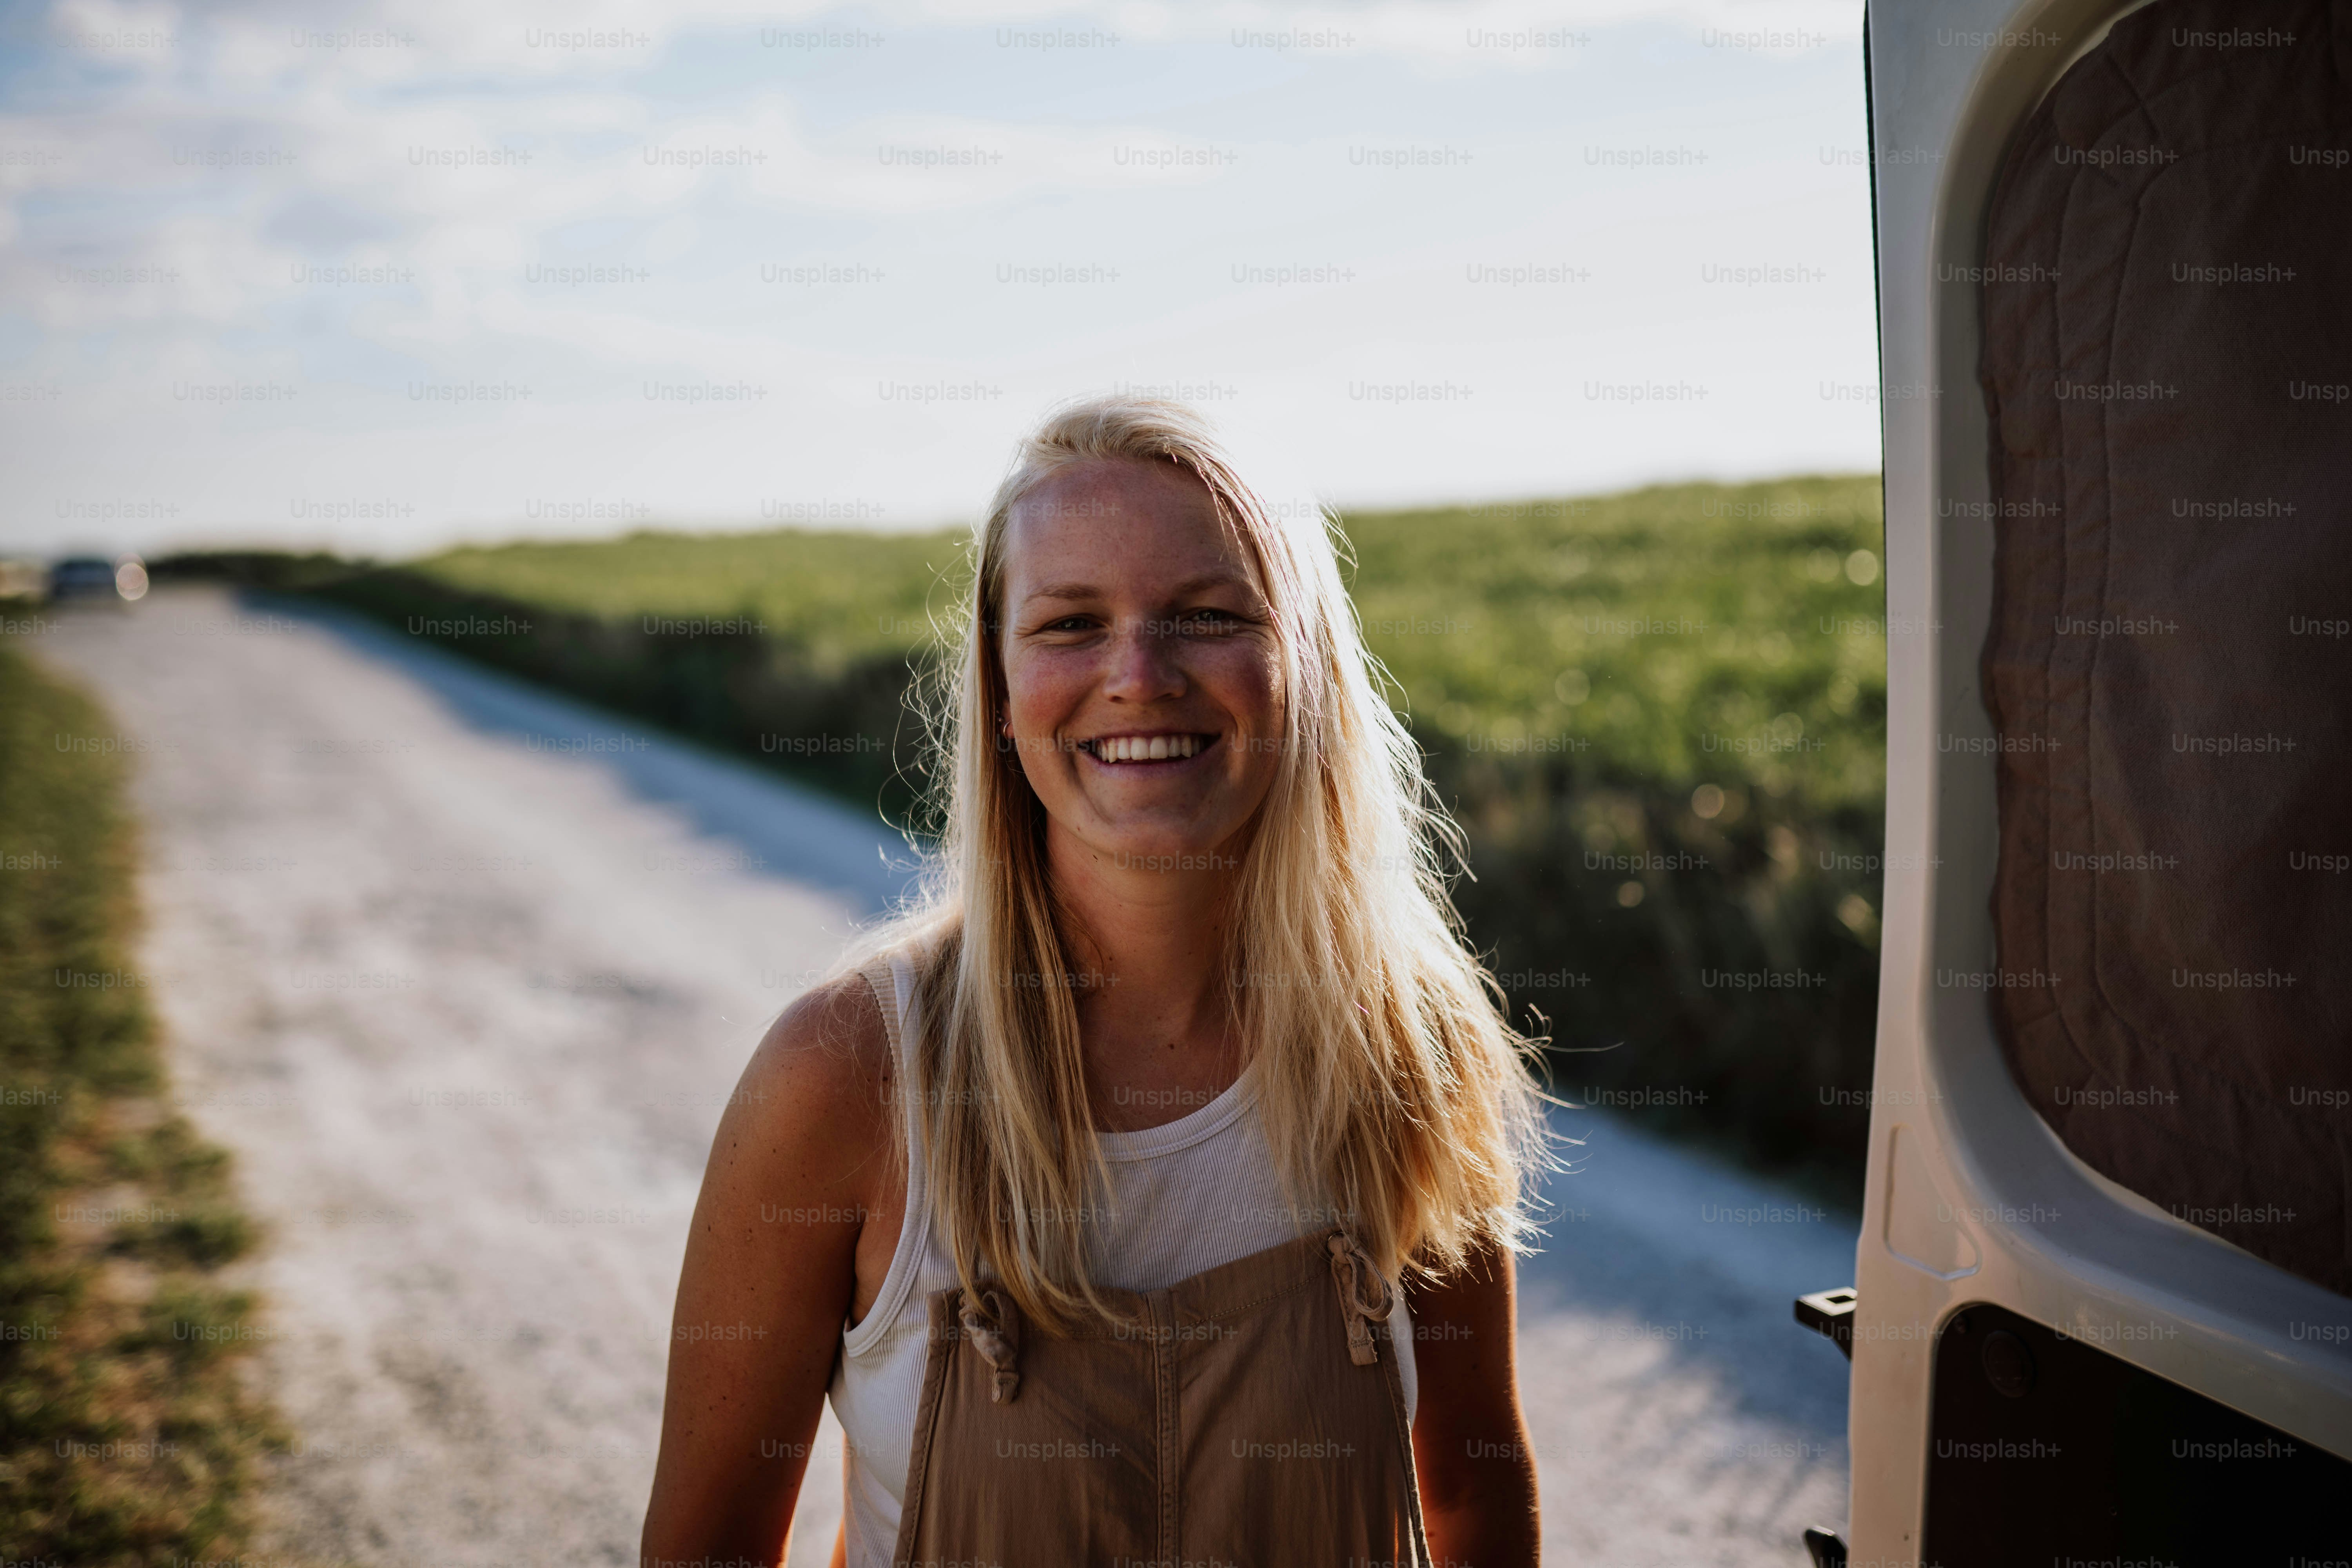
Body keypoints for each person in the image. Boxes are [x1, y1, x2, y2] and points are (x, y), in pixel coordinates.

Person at [640, 395, 1552, 1567]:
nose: (1138, 675)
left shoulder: (1409, 1045)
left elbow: (1475, 1495)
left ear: (1303, 663)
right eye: (1072, 623)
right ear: (1000, 687)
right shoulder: (849, 1073)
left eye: (1207, 615)